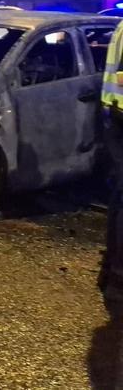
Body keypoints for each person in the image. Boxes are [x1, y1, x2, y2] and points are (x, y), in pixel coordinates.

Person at [99, 19, 123, 317]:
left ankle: (112, 272)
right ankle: (117, 277)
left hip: (114, 113)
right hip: (120, 115)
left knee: (119, 197)